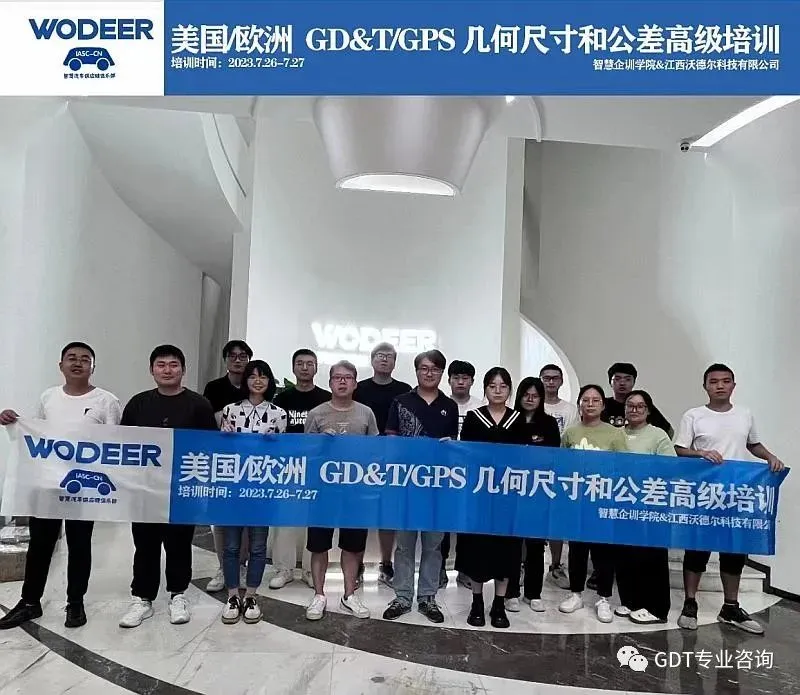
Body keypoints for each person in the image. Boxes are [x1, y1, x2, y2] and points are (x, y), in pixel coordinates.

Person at [0, 342, 122, 630]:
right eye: (71, 358)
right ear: (61, 365)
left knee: (79, 545)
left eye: (85, 359)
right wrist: (13, 421)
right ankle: (30, 601)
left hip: (84, 487)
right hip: (49, 485)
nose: (77, 363)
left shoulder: (107, 401)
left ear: (93, 366)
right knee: (40, 545)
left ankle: (75, 602)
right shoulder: (49, 397)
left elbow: (115, 443)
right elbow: (37, 435)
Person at [674, 363, 784, 635]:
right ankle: (690, 603)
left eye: (725, 381)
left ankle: (731, 607)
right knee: (697, 549)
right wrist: (701, 453)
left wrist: (770, 457)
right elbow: (679, 449)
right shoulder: (694, 415)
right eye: (714, 381)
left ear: (734, 385)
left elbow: (752, 444)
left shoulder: (744, 414)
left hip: (736, 494)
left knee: (734, 551)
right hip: (704, 494)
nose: (720, 385)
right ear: (705, 386)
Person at [118, 345, 218, 629]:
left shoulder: (198, 405)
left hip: (182, 489)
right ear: (152, 370)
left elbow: (210, 446)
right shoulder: (138, 404)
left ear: (183, 370)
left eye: (173, 365)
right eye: (161, 365)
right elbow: (123, 443)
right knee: (145, 545)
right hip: (145, 489)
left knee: (179, 544)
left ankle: (178, 595)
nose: (167, 370)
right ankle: (142, 599)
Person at [383, 349, 458, 624]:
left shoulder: (449, 406)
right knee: (404, 545)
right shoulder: (401, 402)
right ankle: (402, 596)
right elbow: (390, 440)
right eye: (424, 368)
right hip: (406, 486)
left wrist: (450, 447)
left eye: (435, 369)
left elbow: (453, 446)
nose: (429, 373)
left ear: (441, 373)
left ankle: (427, 597)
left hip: (437, 488)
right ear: (416, 371)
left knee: (433, 546)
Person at [303, 361, 379, 621]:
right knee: (318, 545)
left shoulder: (366, 413)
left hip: (356, 492)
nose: (343, 381)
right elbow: (307, 454)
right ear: (330, 383)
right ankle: (319, 595)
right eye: (337, 377)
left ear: (356, 383)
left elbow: (375, 452)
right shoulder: (316, 414)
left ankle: (349, 594)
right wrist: (321, 445)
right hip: (323, 492)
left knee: (353, 546)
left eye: (348, 377)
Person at [456, 368, 529, 629]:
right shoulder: (474, 418)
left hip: (508, 496)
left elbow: (524, 458)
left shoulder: (518, 420)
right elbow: (466, 454)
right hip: (479, 495)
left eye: (503, 386)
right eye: (492, 386)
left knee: (506, 549)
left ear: (509, 390)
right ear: (485, 389)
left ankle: (499, 604)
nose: (497, 391)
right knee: (477, 548)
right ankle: (476, 601)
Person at [219, 360, 287, 626]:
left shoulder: (279, 414)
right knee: (232, 546)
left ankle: (251, 596)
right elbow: (221, 453)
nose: (258, 381)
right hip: (234, 487)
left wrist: (275, 444)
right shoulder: (230, 410)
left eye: (263, 377)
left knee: (258, 546)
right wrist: (223, 438)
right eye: (253, 376)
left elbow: (284, 456)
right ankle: (232, 596)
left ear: (269, 381)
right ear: (245, 380)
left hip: (263, 489)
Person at [558, 384, 627, 623]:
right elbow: (563, 465)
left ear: (603, 405)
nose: (590, 404)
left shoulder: (615, 434)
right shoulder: (570, 433)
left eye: (595, 400)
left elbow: (623, 467)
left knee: (603, 552)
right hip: (577, 502)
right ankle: (575, 593)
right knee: (577, 550)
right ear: (579, 404)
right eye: (585, 400)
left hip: (604, 502)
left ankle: (603, 598)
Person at [269, 349, 331, 590]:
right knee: (285, 520)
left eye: (309, 363)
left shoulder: (326, 399)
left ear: (316, 367)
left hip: (317, 468)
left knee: (312, 521)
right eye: (300, 363)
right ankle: (283, 569)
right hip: (288, 467)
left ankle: (308, 569)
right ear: (293, 367)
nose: (305, 368)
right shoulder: (282, 399)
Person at [353, 342, 411, 587]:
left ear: (395, 362)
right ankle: (356, 565)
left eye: (389, 356)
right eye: (380, 355)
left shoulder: (404, 390)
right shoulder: (359, 388)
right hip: (362, 462)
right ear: (372, 359)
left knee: (388, 516)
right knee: (360, 515)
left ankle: (386, 564)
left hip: (393, 462)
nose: (384, 359)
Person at [614, 390, 675, 625]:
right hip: (623, 503)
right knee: (625, 554)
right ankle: (630, 601)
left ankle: (657, 608)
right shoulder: (617, 434)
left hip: (651, 504)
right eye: (630, 405)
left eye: (640, 406)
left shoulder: (658, 435)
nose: (635, 410)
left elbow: (670, 468)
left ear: (648, 410)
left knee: (651, 556)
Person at [504, 377, 561, 613]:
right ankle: (510, 592)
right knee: (512, 544)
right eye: (526, 394)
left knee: (536, 545)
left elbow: (554, 456)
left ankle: (533, 593)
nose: (530, 399)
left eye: (535, 395)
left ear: (541, 398)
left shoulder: (549, 423)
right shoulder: (509, 420)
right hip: (512, 489)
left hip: (538, 490)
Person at [202, 339, 253, 593]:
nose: (238, 360)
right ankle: (223, 567)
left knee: (245, 518)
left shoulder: (254, 386)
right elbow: (210, 421)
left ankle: (241, 565)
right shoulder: (214, 388)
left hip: (251, 464)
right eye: (233, 355)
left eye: (243, 356)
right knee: (220, 519)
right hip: (221, 461)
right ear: (225, 360)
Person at [439, 359, 484, 589]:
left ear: (472, 381)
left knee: (468, 525)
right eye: (456, 378)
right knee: (444, 523)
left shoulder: (479, 407)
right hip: (446, 472)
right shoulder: (442, 404)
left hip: (472, 474)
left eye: (465, 378)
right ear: (449, 380)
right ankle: (440, 569)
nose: (460, 382)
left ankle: (465, 570)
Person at [538, 364, 577, 591]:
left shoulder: (570, 409)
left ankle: (555, 565)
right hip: (534, 471)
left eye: (555, 378)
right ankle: (523, 565)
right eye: (546, 378)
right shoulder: (533, 403)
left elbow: (571, 439)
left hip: (561, 471)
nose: (550, 382)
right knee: (529, 519)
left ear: (561, 381)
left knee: (556, 521)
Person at [603, 362, 672, 435]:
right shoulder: (602, 405)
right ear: (610, 382)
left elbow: (668, 430)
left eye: (627, 379)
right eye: (617, 379)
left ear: (633, 382)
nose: (622, 383)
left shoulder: (642, 405)